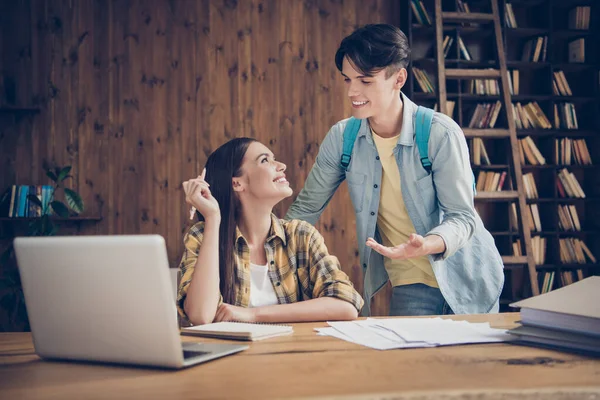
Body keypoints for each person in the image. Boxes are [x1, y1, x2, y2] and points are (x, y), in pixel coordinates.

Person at [285, 24, 504, 316]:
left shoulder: (440, 133)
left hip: (470, 279)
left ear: (398, 78)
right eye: (348, 79)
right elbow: (305, 210)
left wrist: (428, 243)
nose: (352, 91)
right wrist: (259, 246)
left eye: (365, 80)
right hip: (410, 283)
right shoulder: (342, 139)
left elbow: (462, 217)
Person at [177, 137, 363, 326]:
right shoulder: (202, 236)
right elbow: (200, 315)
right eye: (265, 160)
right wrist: (213, 218)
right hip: (233, 355)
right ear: (237, 184)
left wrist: (253, 315)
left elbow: (346, 304)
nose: (281, 165)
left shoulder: (301, 236)